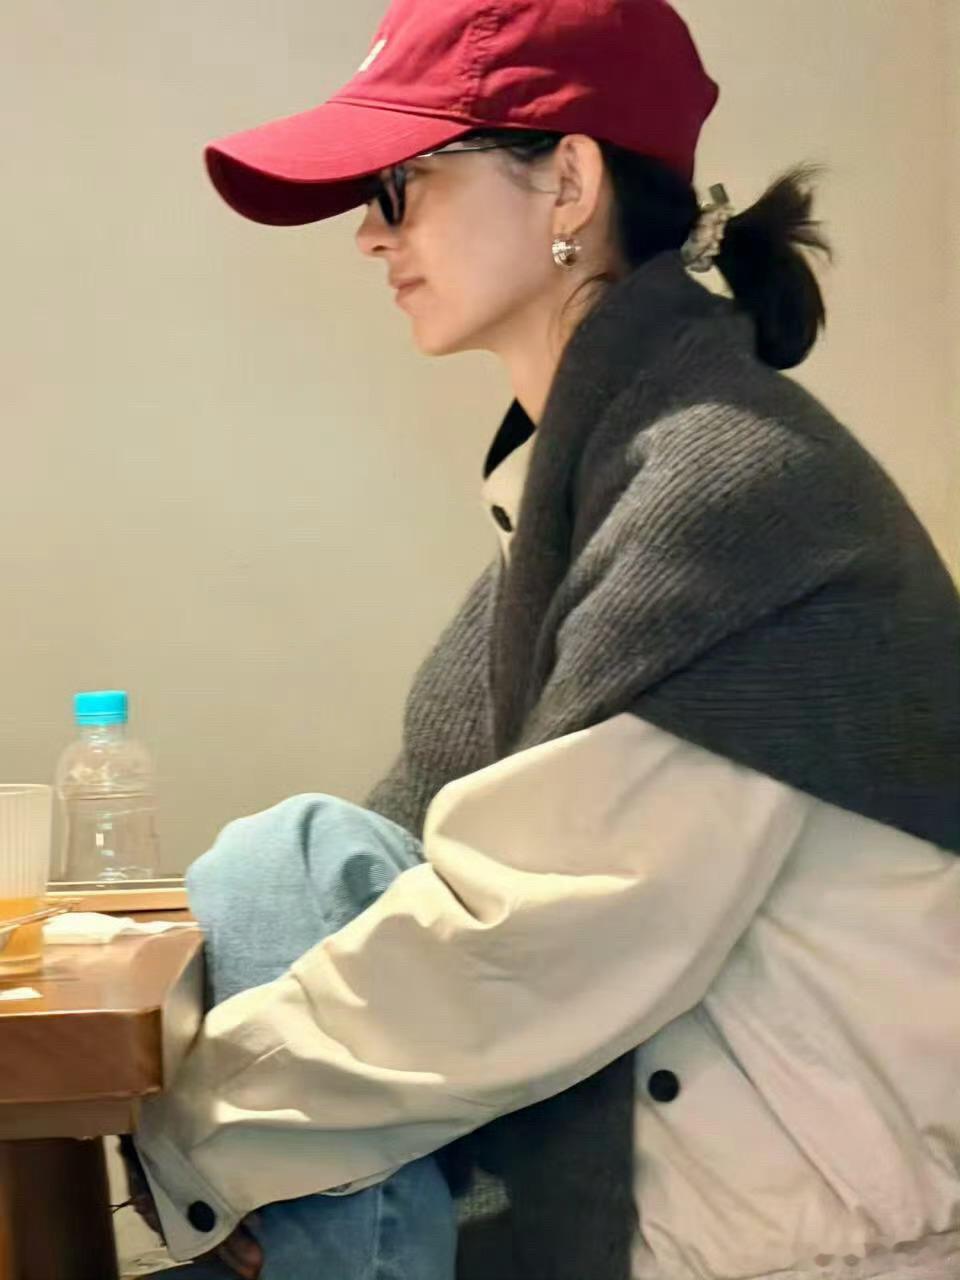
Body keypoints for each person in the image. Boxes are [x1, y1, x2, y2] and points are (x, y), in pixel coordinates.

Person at [127, 1, 960, 1277]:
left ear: (567, 179)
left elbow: (533, 945)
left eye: (400, 184)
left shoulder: (727, 489)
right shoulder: (593, 484)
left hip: (796, 1248)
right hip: (690, 1214)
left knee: (286, 871)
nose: (369, 233)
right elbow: (409, 850)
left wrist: (192, 1125)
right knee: (284, 860)